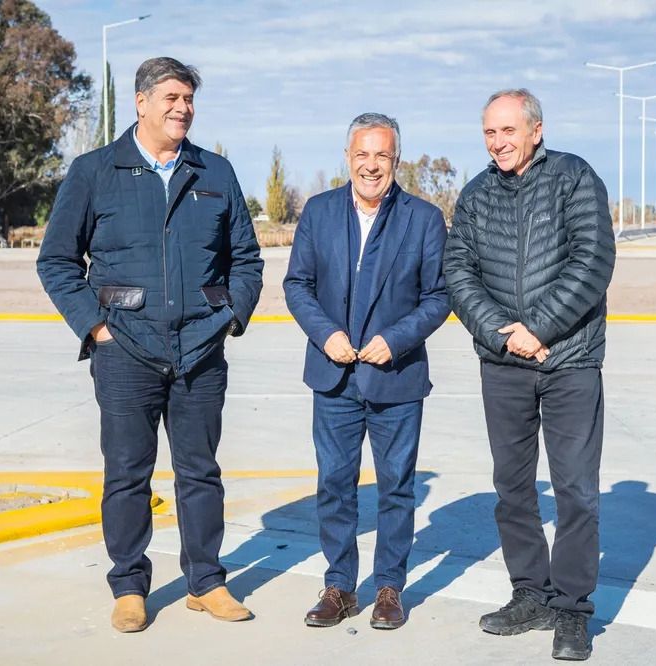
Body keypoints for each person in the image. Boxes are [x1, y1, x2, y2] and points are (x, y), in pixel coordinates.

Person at [36, 57, 263, 633]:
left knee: (200, 472)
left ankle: (206, 581)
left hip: (200, 351)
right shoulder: (94, 171)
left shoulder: (215, 172)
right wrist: (96, 327)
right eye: (170, 97)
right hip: (125, 351)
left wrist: (231, 316)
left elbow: (247, 259)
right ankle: (130, 586)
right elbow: (58, 260)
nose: (182, 108)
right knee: (127, 474)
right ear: (140, 103)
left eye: (188, 98)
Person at [443, 88, 615, 660]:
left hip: (570, 362)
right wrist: (501, 332)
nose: (498, 143)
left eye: (508, 131)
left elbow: (592, 260)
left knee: (576, 492)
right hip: (503, 364)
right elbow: (458, 271)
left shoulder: (574, 178)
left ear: (536, 130)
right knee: (513, 490)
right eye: (490, 133)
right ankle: (530, 594)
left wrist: (538, 329)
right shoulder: (475, 194)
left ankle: (570, 610)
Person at [283, 112, 450, 630]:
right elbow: (297, 285)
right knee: (334, 483)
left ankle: (388, 588)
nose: (371, 165)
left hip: (396, 378)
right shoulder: (319, 211)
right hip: (333, 376)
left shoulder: (423, 218)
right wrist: (325, 334)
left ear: (396, 160)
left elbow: (439, 296)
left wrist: (394, 340)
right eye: (362, 154)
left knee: (397, 485)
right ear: (348, 157)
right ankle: (339, 586)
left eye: (382, 155)